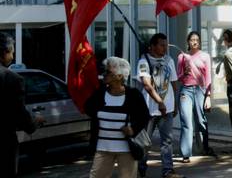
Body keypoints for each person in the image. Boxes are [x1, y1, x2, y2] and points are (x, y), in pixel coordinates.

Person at [86, 56, 150, 178]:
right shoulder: (100, 93)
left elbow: (144, 116)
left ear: (120, 76)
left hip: (127, 150)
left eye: (108, 72)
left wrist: (133, 129)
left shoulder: (133, 95)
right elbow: (88, 108)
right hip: (103, 147)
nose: (104, 74)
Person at [137, 33, 183, 178]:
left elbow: (174, 83)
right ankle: (140, 170)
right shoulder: (143, 62)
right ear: (153, 46)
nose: (165, 48)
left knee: (167, 141)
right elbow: (147, 85)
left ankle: (168, 170)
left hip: (167, 109)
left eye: (165, 45)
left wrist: (175, 104)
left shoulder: (169, 60)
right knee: (144, 143)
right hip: (149, 111)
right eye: (162, 45)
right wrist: (160, 103)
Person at [0, 33, 44, 176]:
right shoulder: (12, 79)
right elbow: (19, 115)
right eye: (12, 52)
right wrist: (35, 120)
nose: (12, 57)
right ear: (4, 52)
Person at [177, 32, 214, 162]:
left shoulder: (205, 56)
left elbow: (209, 77)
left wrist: (208, 96)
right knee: (186, 121)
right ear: (188, 42)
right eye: (192, 40)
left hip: (200, 90)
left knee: (200, 120)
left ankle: (204, 148)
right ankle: (186, 153)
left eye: (197, 40)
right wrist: (184, 73)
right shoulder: (182, 56)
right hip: (186, 90)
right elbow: (178, 77)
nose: (194, 42)